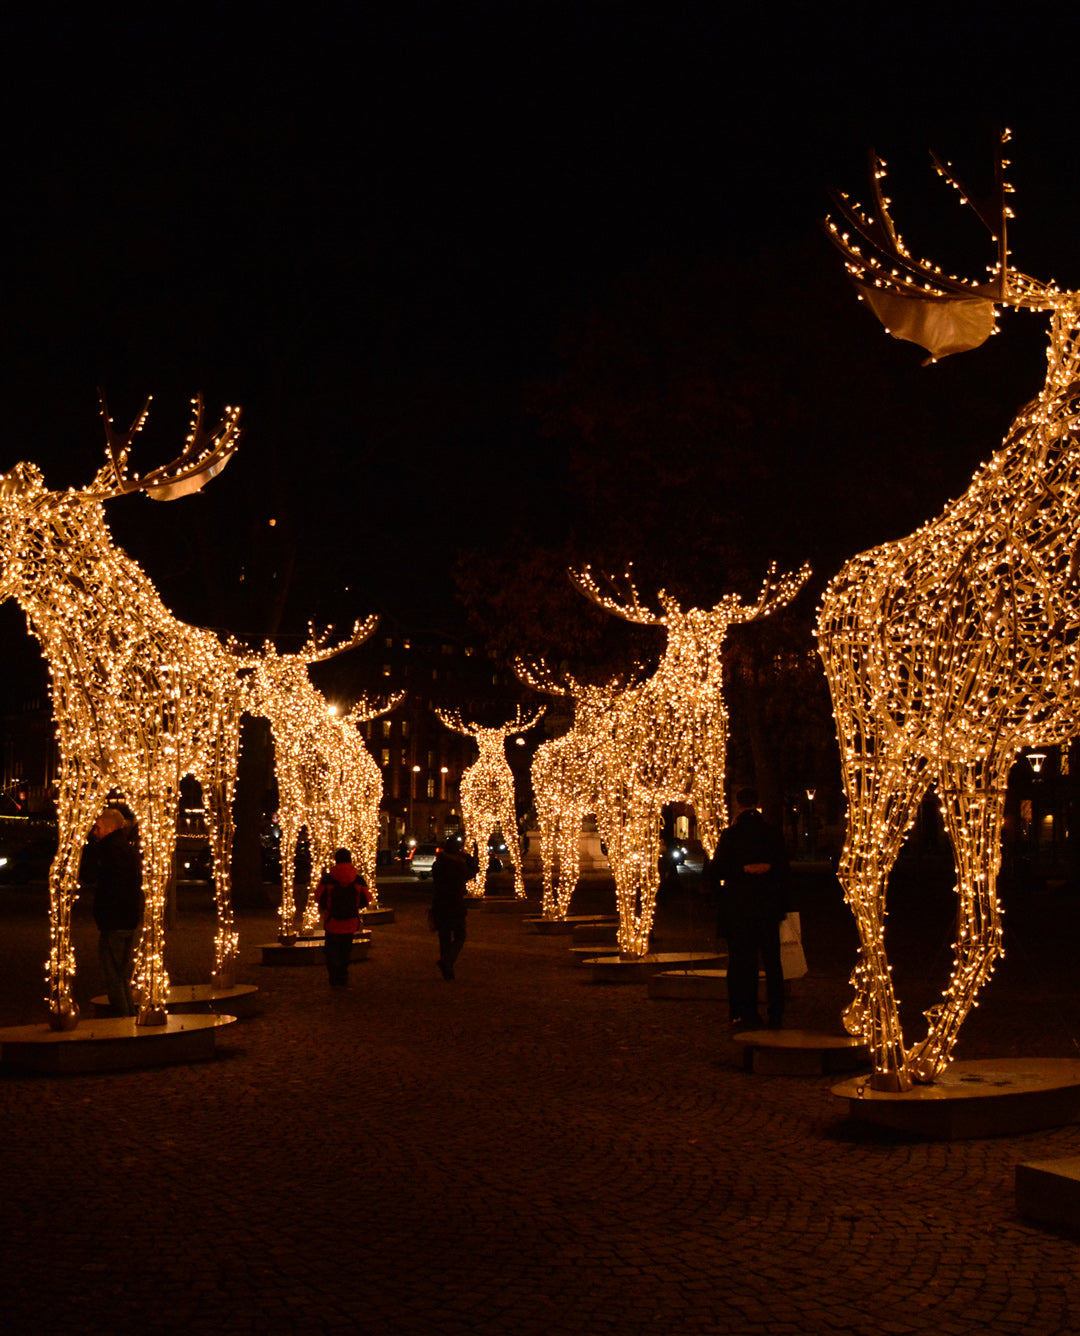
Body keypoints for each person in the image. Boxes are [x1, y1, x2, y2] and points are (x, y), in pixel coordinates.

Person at [708, 787, 789, 1030]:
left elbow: (716, 871)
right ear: (757, 803)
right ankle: (776, 1012)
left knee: (742, 962)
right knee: (773, 962)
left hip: (739, 907)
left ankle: (742, 1011)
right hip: (767, 906)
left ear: (738, 805)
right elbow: (784, 871)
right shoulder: (772, 833)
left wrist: (741, 871)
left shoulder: (730, 835)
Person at [89, 807, 143, 1016]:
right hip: (126, 920)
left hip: (114, 923)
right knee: (121, 975)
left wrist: (105, 914)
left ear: (110, 828)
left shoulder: (111, 851)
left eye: (98, 827)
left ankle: (124, 1020)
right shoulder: (126, 849)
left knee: (113, 976)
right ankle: (129, 1016)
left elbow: (109, 886)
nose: (95, 832)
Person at [314, 848, 371, 988]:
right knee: (345, 950)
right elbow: (367, 899)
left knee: (332, 950)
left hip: (332, 921)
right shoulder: (358, 879)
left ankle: (334, 977)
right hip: (350, 922)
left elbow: (318, 897)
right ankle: (343, 975)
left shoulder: (328, 878)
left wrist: (327, 907)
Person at [430, 836, 478, 981]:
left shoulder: (438, 864)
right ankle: (448, 961)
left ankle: (447, 969)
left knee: (444, 937)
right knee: (460, 936)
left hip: (439, 903)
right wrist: (468, 857)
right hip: (455, 904)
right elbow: (472, 872)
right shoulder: (459, 865)